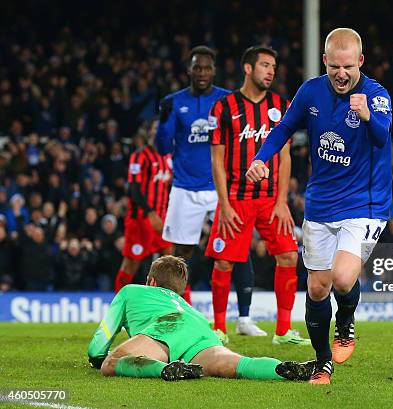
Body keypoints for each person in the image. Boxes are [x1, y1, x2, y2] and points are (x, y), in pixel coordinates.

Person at [246, 28, 393, 384]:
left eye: (348, 67)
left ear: (360, 61)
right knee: (316, 288)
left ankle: (345, 322)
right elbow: (283, 129)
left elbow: (382, 136)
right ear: (325, 61)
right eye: (334, 67)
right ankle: (322, 362)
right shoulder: (310, 91)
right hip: (321, 203)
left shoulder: (375, 95)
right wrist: (262, 158)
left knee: (343, 278)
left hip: (365, 204)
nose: (341, 75)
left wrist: (369, 117)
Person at [205, 46, 308, 346]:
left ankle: (283, 331)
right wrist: (223, 204)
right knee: (224, 263)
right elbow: (217, 160)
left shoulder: (281, 105)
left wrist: (281, 202)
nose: (271, 71)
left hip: (270, 200)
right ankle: (219, 328)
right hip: (236, 197)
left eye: (273, 66)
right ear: (248, 69)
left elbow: (285, 157)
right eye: (264, 65)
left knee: (289, 255)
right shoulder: (223, 108)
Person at [88, 255, 314, 382]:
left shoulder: (131, 291)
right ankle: (282, 369)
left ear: (152, 282)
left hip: (168, 324)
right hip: (199, 327)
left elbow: (102, 338)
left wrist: (98, 358)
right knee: (238, 364)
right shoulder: (187, 306)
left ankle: (164, 370)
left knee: (112, 363)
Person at [155, 46, 256, 318]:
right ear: (189, 70)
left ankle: (244, 317)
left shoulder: (228, 100)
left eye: (206, 67)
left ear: (214, 71)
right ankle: (175, 311)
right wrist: (164, 120)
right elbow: (163, 147)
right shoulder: (174, 102)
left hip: (220, 187)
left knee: (238, 246)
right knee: (180, 254)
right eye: (197, 67)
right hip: (185, 188)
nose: (201, 72)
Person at [114, 121, 173, 292]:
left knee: (171, 263)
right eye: (155, 128)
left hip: (161, 221)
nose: (158, 132)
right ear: (148, 133)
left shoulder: (168, 158)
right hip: (140, 220)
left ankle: (177, 308)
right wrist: (150, 213)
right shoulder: (140, 156)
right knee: (131, 264)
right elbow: (133, 189)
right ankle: (118, 308)